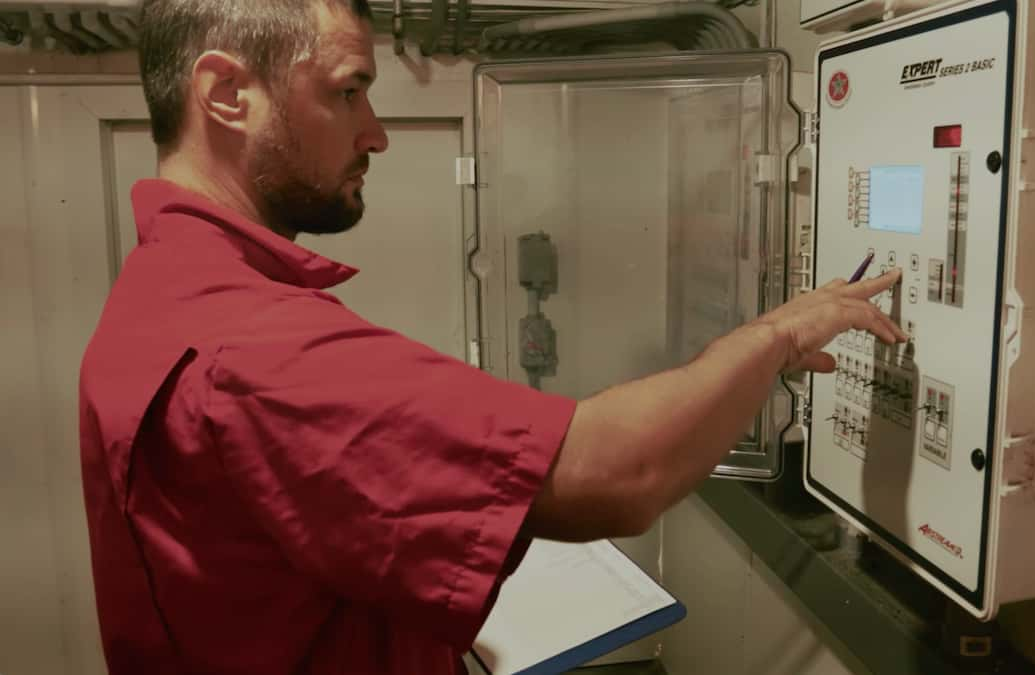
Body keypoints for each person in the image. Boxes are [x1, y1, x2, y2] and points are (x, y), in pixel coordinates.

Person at [77, 0, 905, 673]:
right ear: (226, 93)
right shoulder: (250, 347)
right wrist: (776, 334)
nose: (375, 133)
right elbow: (619, 471)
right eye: (347, 91)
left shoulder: (153, 300)